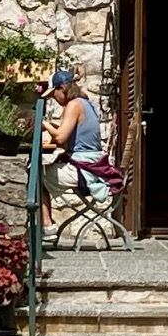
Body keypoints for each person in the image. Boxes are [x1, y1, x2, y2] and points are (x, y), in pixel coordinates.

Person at [39, 69, 106, 226]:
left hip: (83, 170)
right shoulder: (86, 103)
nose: (54, 99)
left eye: (53, 94)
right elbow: (68, 139)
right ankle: (47, 224)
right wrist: (53, 127)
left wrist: (44, 124)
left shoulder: (74, 105)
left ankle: (47, 226)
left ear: (62, 88)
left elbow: (60, 138)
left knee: (35, 175)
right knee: (40, 172)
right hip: (92, 166)